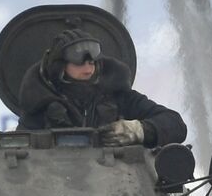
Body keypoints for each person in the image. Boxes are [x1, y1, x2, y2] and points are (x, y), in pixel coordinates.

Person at [16, 28, 187, 147]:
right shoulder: (40, 103)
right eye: (79, 59)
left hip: (122, 181)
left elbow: (175, 124)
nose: (88, 65)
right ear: (60, 65)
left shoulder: (118, 96)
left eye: (92, 60)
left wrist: (139, 130)